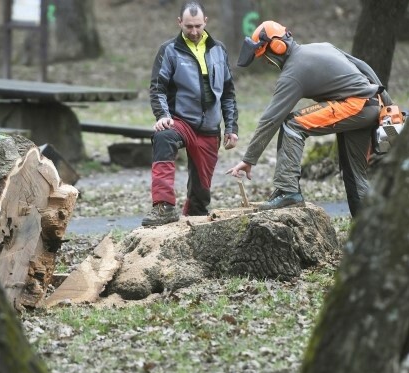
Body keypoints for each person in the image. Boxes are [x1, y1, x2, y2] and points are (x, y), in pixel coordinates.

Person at [226, 20, 393, 217]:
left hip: (356, 105)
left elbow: (271, 119)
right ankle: (367, 232)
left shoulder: (294, 72)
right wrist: (387, 103)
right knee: (354, 174)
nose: (267, 61)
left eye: (266, 56)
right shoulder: (321, 47)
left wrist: (249, 159)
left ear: (278, 46)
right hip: (371, 104)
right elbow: (363, 66)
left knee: (292, 124)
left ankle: (288, 191)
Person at [142, 1, 239, 226]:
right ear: (179, 23)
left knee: (200, 199)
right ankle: (164, 207)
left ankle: (192, 218)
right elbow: (158, 87)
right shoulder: (169, 50)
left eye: (198, 26)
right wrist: (163, 116)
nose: (194, 32)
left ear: (206, 21)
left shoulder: (219, 50)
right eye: (188, 27)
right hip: (181, 121)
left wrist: (231, 127)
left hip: (210, 128)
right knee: (163, 136)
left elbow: (228, 93)